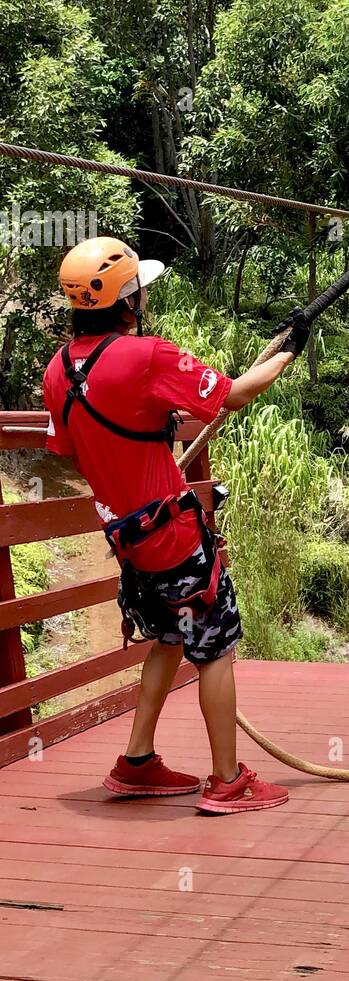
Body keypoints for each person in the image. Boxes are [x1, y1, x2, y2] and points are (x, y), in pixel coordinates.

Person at [42, 237, 310, 814]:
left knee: (168, 635)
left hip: (128, 541)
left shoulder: (58, 371)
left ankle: (136, 762)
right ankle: (227, 780)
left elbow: (67, 448)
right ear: (127, 300)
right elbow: (230, 395)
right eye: (139, 291)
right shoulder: (146, 356)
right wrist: (289, 353)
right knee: (215, 648)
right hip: (173, 537)